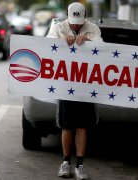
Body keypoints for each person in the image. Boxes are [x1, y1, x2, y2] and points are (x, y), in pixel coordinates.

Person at [46, 2, 103, 180]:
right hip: (65, 84)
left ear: (84, 16)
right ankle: (65, 162)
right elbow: (46, 45)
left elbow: (103, 47)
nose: (75, 25)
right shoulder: (58, 27)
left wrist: (88, 41)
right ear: (67, 16)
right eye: (73, 22)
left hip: (86, 85)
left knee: (82, 126)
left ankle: (80, 165)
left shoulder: (93, 29)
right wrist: (62, 42)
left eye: (79, 21)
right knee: (67, 125)